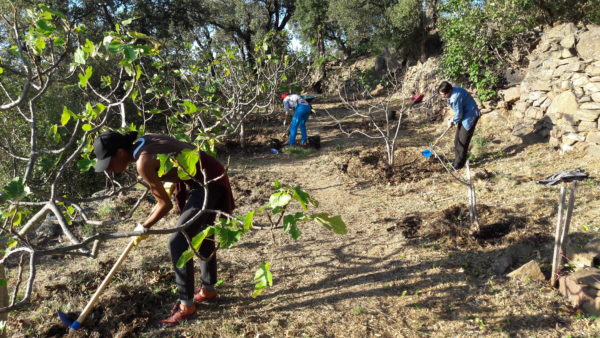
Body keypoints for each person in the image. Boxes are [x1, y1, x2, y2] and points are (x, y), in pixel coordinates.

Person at [93, 131, 235, 327]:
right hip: (209, 175)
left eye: (109, 162)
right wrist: (169, 178)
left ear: (120, 152)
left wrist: (143, 227)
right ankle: (208, 289)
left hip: (207, 183)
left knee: (178, 240)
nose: (109, 169)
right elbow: (174, 150)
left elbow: (164, 205)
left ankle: (187, 305)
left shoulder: (143, 162)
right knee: (203, 232)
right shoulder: (146, 141)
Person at [437, 81, 480, 170]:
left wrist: (453, 121)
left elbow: (459, 114)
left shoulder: (455, 97)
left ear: (448, 91)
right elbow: (459, 112)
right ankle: (457, 160)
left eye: (443, 95)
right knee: (457, 141)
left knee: (462, 143)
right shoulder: (454, 91)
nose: (442, 96)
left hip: (469, 117)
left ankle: (458, 165)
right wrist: (453, 120)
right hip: (464, 116)